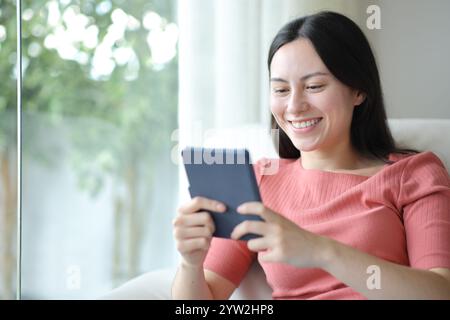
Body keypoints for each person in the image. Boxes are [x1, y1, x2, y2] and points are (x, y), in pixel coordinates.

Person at [171, 11, 450, 299]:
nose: (294, 106)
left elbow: (440, 292)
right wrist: (190, 263)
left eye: (314, 86)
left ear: (358, 91)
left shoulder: (415, 174)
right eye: (280, 89)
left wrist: (318, 250)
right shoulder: (259, 182)